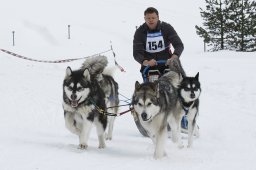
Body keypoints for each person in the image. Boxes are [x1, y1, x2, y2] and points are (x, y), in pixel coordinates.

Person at [133, 7, 184, 80]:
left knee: (172, 87)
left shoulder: (167, 28)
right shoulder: (140, 32)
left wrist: (174, 56)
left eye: (153, 18)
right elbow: (137, 53)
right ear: (145, 19)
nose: (151, 20)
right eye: (148, 18)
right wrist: (145, 62)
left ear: (158, 17)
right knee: (154, 89)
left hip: (167, 63)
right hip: (150, 67)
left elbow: (179, 45)